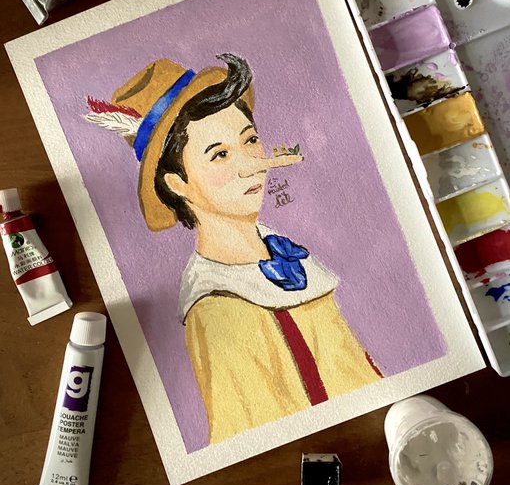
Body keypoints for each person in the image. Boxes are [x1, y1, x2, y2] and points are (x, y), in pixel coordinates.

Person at [87, 52, 381, 444]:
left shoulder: (293, 258)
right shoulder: (217, 309)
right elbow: (252, 436)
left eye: (250, 140)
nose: (249, 164)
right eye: (221, 154)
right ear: (177, 184)